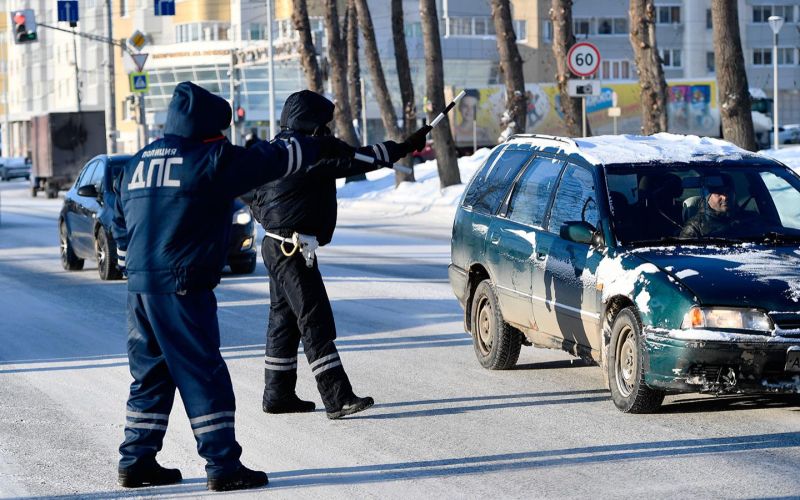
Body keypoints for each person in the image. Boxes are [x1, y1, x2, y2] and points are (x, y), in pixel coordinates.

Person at [110, 82, 351, 492]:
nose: (223, 137)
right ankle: (223, 466)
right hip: (183, 283)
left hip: (139, 286)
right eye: (220, 131)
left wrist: (135, 261)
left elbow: (118, 222)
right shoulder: (209, 157)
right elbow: (272, 158)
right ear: (207, 128)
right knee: (203, 372)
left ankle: (136, 460)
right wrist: (316, 145)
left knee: (150, 373)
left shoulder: (137, 163)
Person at [249, 90, 430, 419]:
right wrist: (405, 146)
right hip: (293, 249)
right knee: (313, 319)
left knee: (284, 320)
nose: (329, 130)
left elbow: (249, 191)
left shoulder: (273, 150)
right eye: (325, 124)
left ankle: (278, 394)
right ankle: (337, 397)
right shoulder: (313, 150)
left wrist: (271, 220)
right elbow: (364, 158)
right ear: (312, 124)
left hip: (276, 244)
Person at [680, 174, 748, 238]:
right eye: (719, 193)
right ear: (708, 198)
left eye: (728, 191)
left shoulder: (751, 218)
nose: (725, 197)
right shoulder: (694, 228)